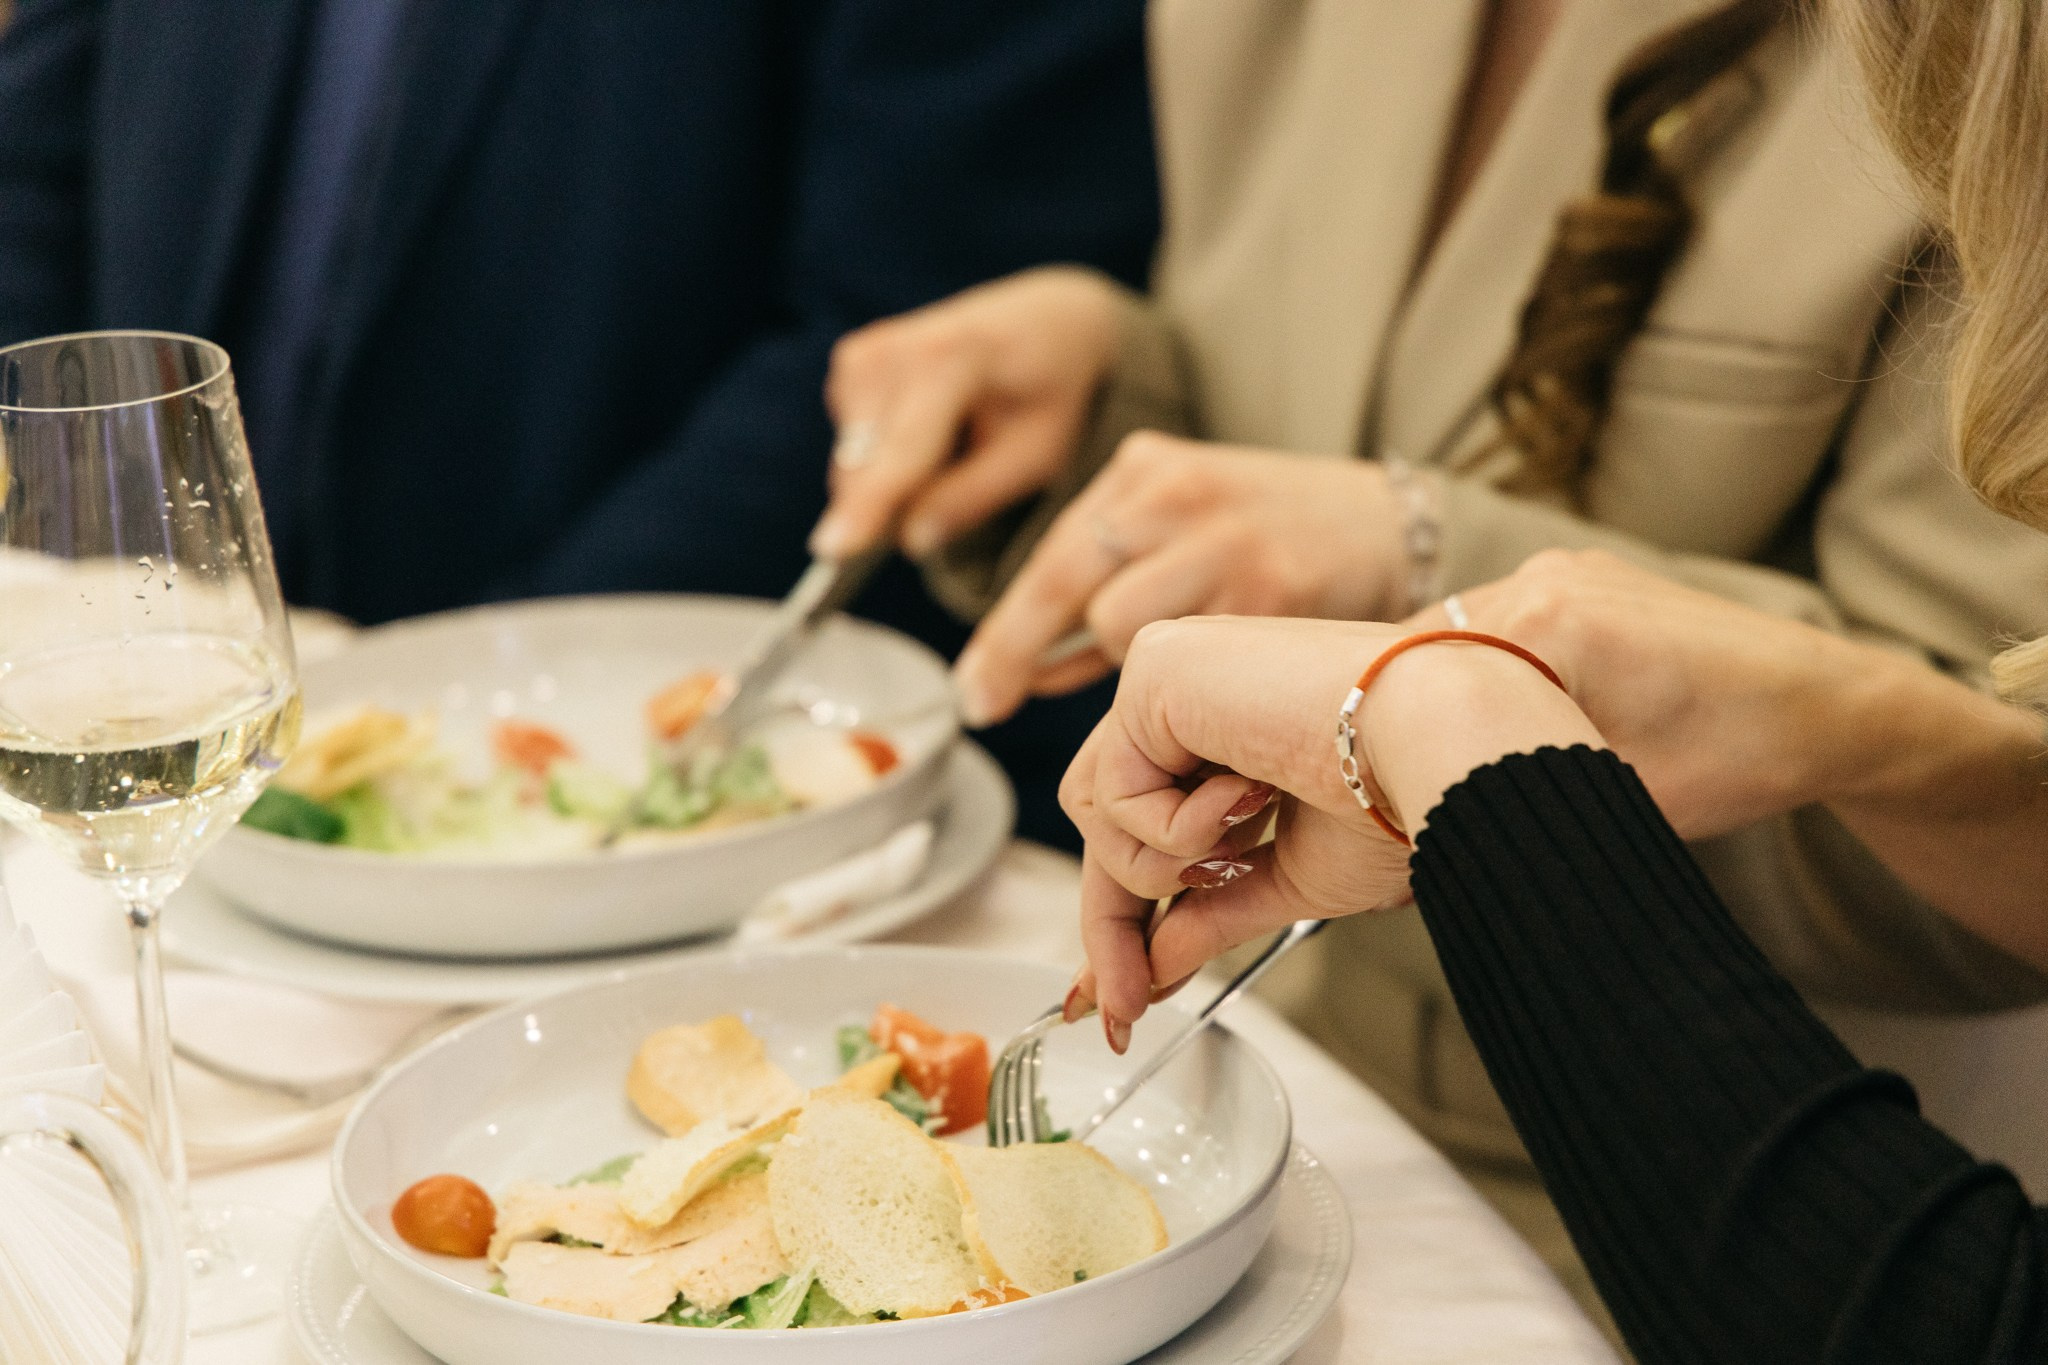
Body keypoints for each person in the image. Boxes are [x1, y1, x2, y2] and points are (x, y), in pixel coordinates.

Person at [802, 0, 2048, 1311]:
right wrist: (1116, 380)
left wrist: (1428, 578)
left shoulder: (1973, 46)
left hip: (1689, 1214)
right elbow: (1316, 402)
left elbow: (1999, 804)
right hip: (1247, 1081)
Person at [0, 0, 1159, 845]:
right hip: (155, 689)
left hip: (669, 783)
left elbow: (923, 311)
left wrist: (482, 709)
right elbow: (35, 162)